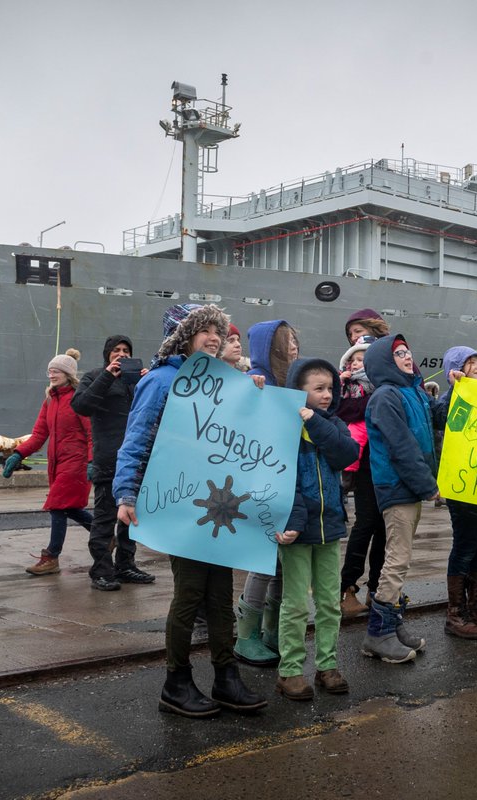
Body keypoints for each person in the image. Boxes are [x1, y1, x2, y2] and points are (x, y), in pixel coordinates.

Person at [114, 303, 266, 718]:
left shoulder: (226, 383)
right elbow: (137, 438)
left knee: (220, 596)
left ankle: (225, 676)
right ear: (182, 336)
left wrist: (254, 396)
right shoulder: (162, 380)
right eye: (204, 330)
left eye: (218, 330)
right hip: (181, 502)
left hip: (219, 503)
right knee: (189, 595)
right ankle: (175, 681)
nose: (215, 336)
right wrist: (126, 493)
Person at [273, 358, 360, 700]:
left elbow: (346, 453)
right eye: (318, 389)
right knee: (294, 604)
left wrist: (316, 420)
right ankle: (290, 670)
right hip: (298, 530)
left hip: (329, 528)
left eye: (330, 388)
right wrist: (293, 521)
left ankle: (327, 665)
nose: (326, 395)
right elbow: (281, 478)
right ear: (299, 391)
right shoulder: (283, 427)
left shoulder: (332, 423)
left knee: (328, 601)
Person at [361, 334, 440, 663]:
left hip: (409, 487)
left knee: (400, 559)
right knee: (396, 560)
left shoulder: (413, 391)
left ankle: (392, 626)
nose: (408, 357)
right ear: (383, 362)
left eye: (408, 351)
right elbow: (401, 447)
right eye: (398, 354)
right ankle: (378, 634)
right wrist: (427, 485)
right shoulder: (385, 397)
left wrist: (460, 389)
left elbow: (439, 415)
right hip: (398, 487)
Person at [235, 318, 300, 666]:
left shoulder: (290, 379)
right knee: (263, 561)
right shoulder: (254, 381)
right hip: (262, 484)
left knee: (280, 563)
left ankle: (269, 629)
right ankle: (247, 635)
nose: (293, 346)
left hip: (286, 481)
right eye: (285, 340)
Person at [70, 335, 156, 590]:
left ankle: (126, 565)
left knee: (131, 516)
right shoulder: (95, 376)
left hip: (136, 461)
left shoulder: (137, 381)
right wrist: (107, 375)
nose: (122, 355)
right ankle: (101, 571)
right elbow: (81, 406)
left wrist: (147, 381)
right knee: (104, 519)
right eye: (116, 350)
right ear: (107, 354)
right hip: (108, 460)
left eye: (126, 351)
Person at [3, 349, 93, 577]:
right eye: (50, 371)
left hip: (76, 462)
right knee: (68, 507)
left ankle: (51, 557)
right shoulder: (49, 402)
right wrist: (17, 454)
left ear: (67, 374)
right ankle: (105, 536)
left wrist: (93, 462)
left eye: (56, 371)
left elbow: (93, 433)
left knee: (56, 505)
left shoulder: (79, 399)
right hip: (57, 463)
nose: (51, 375)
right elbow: (38, 436)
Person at [434, 345, 477, 640]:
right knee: (465, 546)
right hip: (465, 484)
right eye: (469, 362)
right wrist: (455, 389)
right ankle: (455, 613)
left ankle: (476, 609)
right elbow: (441, 419)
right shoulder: (452, 399)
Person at [337, 308, 392, 619]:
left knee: (385, 525)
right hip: (368, 457)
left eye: (359, 331)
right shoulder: (348, 378)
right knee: (367, 521)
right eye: (351, 336)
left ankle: (376, 587)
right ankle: (347, 588)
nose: (355, 339)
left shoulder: (393, 364)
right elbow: (344, 410)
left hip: (390, 455)